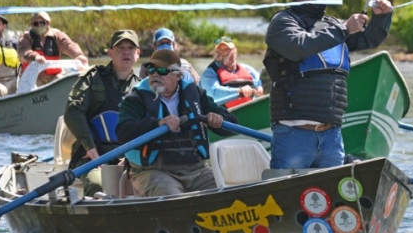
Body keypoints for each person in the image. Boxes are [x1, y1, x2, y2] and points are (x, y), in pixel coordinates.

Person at [263, 0, 394, 169]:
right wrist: (344, 28)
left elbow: (368, 39)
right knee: (290, 195)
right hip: (294, 135)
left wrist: (382, 17)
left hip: (331, 136)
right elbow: (299, 46)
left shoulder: (332, 25)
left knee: (334, 196)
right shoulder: (283, 22)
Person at [117, 49, 236, 197]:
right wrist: (157, 124)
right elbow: (122, 132)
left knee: (223, 195)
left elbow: (231, 125)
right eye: (151, 69)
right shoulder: (136, 99)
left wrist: (218, 119)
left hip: (196, 171)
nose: (155, 74)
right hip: (153, 172)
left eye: (161, 70)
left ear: (178, 75)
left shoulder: (196, 94)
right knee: (171, 196)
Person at [63, 30, 142, 197]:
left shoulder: (142, 88)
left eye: (131, 48)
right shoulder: (93, 78)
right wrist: (91, 150)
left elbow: (146, 126)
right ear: (110, 52)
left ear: (138, 54)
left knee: (147, 186)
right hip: (90, 156)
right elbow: (72, 111)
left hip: (128, 158)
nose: (126, 52)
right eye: (120, 48)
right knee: (98, 186)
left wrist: (131, 156)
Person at [18, 11, 89, 86]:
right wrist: (36, 57)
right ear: (31, 24)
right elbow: (24, 52)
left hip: (54, 76)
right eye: (35, 23)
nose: (39, 26)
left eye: (42, 23)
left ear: (48, 23)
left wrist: (78, 55)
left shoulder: (56, 34)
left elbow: (68, 44)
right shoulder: (25, 37)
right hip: (33, 77)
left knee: (62, 81)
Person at [200, 36, 264, 108]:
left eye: (228, 49)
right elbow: (212, 93)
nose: (224, 53)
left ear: (235, 51)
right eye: (220, 50)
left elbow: (261, 81)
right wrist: (239, 91)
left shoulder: (248, 69)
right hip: (223, 114)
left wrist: (261, 87)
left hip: (250, 109)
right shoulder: (208, 74)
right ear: (215, 53)